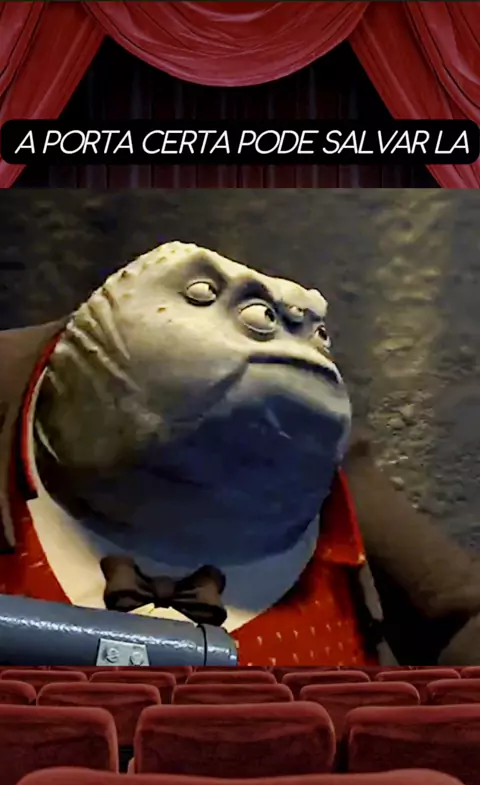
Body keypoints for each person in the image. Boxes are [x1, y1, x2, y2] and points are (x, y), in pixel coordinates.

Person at [0, 242, 479, 666]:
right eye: (205, 293)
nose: (279, 324)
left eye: (316, 331)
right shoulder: (15, 386)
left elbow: (460, 616)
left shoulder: (327, 455)